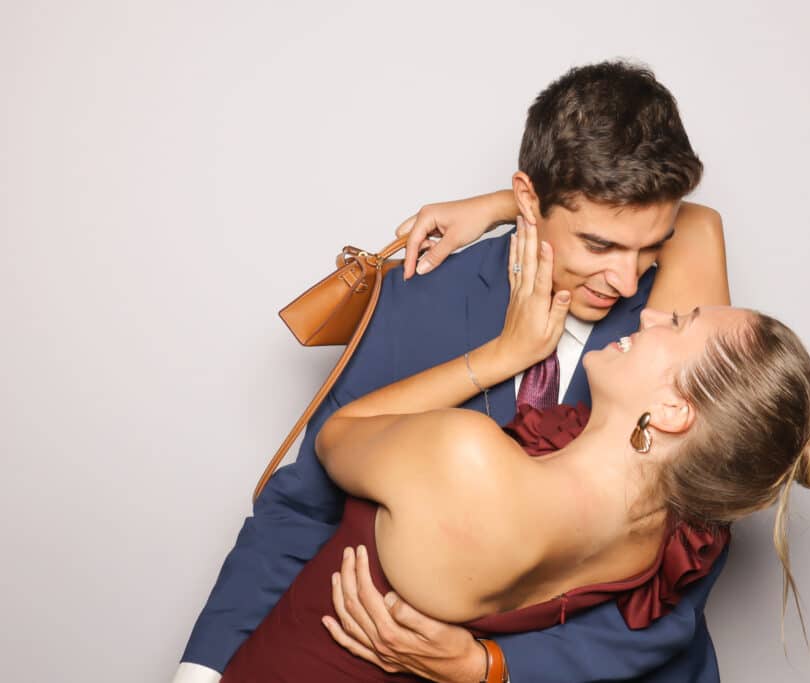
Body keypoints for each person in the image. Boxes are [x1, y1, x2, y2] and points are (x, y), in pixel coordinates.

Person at [176, 60, 732, 683]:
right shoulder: (419, 295)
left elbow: (688, 569)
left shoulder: (675, 324)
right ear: (532, 198)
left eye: (651, 245)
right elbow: (307, 504)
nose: (627, 280)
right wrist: (201, 671)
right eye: (599, 245)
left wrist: (492, 665)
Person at [218, 219, 810, 682]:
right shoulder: (666, 528)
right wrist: (528, 203)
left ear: (674, 412)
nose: (648, 310)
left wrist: (502, 355)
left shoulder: (467, 461)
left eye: (677, 324)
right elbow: (695, 225)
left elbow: (337, 436)